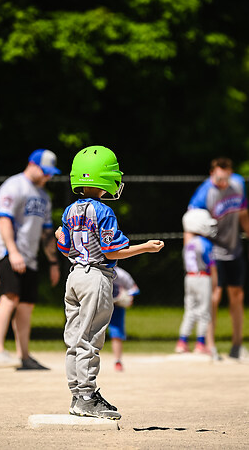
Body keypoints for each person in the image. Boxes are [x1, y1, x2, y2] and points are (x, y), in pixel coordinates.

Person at [55, 145, 164, 420]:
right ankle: (88, 398)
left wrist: (59, 238)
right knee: (90, 338)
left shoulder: (69, 210)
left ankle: (77, 395)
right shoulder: (103, 211)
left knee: (74, 338)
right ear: (106, 179)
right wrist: (145, 247)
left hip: (74, 276)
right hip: (95, 277)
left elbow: (66, 248)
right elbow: (112, 252)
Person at [0, 149, 61, 369]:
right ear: (32, 165)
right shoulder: (13, 186)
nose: (49, 177)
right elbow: (4, 220)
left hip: (29, 257)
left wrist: (53, 262)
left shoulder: (44, 196)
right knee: (10, 297)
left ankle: (25, 356)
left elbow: (47, 233)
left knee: (26, 305)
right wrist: (13, 251)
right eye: (45, 172)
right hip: (8, 252)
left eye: (51, 173)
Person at [187, 157, 249, 359]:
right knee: (214, 295)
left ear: (230, 173)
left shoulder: (238, 184)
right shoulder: (204, 193)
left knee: (237, 294)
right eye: (218, 178)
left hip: (234, 249)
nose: (222, 182)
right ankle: (210, 345)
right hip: (213, 251)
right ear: (212, 173)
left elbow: (243, 215)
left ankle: (237, 345)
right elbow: (190, 224)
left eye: (225, 177)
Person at [175, 209, 218, 357]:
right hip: (202, 277)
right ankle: (200, 344)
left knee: (190, 310)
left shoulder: (189, 243)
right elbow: (210, 264)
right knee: (204, 312)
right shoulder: (205, 243)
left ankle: (182, 342)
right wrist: (215, 284)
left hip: (189, 277)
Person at [108, 266, 140, 372]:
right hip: (97, 305)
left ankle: (117, 361)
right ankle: (84, 360)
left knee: (116, 332)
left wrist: (127, 296)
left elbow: (134, 289)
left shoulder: (121, 274)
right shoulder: (94, 271)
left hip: (116, 306)